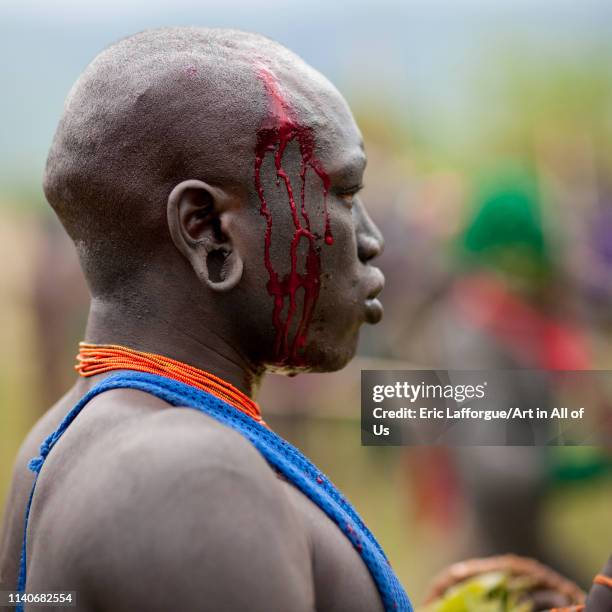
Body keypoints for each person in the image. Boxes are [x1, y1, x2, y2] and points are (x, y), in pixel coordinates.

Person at [0, 27, 410, 612]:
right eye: (344, 194)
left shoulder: (58, 441)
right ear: (210, 233)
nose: (372, 239)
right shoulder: (188, 480)